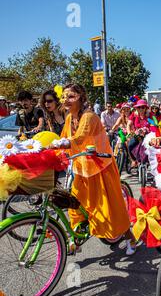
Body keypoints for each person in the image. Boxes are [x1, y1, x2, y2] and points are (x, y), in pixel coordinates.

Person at [52, 83, 138, 255]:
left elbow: (79, 138)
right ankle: (76, 238)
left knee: (110, 210)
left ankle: (131, 238)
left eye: (71, 96)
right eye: (64, 97)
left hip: (101, 168)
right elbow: (62, 137)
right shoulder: (69, 118)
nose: (66, 100)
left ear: (81, 98)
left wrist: (64, 143)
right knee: (75, 205)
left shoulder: (89, 116)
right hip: (81, 168)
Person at [127, 99, 151, 167]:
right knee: (130, 145)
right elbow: (128, 124)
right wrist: (129, 133)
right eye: (139, 107)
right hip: (137, 135)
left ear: (146, 108)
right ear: (136, 108)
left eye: (143, 107)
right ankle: (133, 160)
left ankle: (149, 161)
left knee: (152, 147)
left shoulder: (149, 115)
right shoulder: (134, 115)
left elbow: (154, 124)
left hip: (148, 136)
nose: (141, 109)